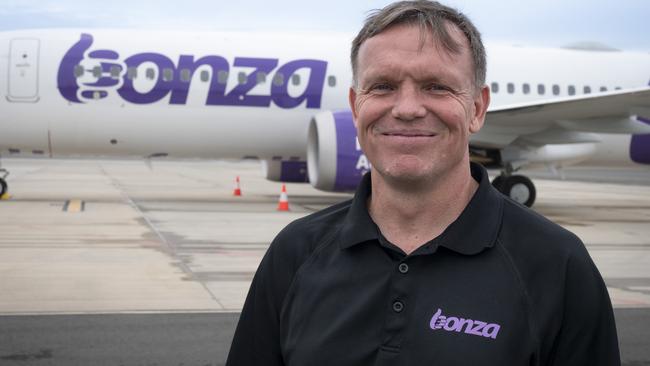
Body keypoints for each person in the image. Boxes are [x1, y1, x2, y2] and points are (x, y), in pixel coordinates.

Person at [226, 1, 620, 365]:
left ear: (478, 108)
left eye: (437, 86)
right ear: (355, 104)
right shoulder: (295, 252)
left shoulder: (558, 265)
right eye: (382, 86)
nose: (408, 108)